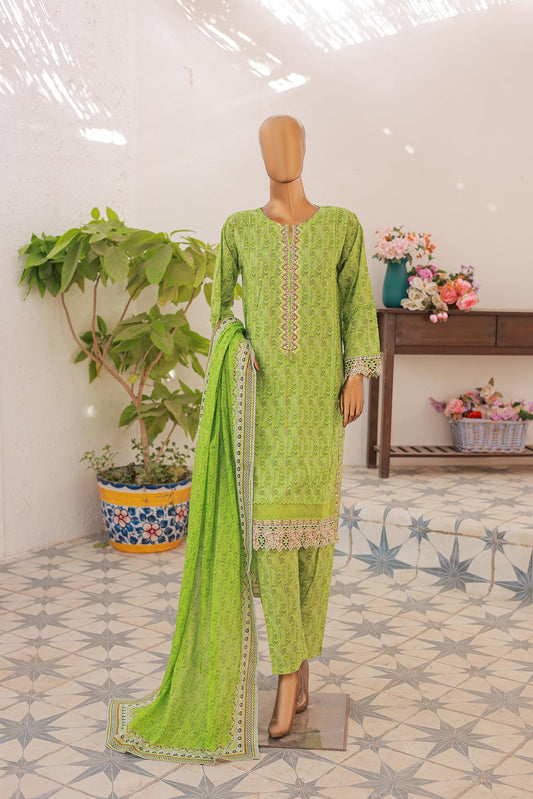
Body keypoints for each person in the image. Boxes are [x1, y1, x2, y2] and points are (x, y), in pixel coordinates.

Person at [210, 114, 382, 738]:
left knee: (313, 543)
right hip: (265, 404)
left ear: (306, 148)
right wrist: (238, 346)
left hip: (318, 408)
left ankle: (298, 668)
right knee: (272, 538)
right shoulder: (238, 230)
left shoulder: (341, 226)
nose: (278, 152)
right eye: (266, 142)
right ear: (258, 152)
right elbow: (218, 307)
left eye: (289, 140)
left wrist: (357, 371)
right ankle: (287, 675)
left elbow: (358, 303)